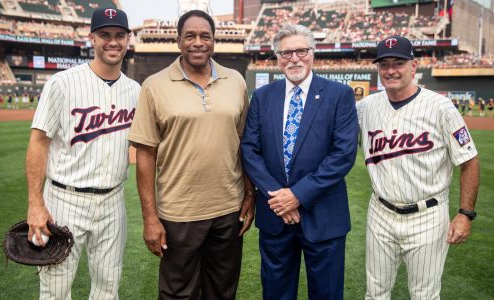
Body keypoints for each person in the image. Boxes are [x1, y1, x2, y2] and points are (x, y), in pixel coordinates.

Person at [128, 10, 255, 299]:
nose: (198, 42)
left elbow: (243, 142)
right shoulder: (154, 86)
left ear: (214, 41)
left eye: (205, 36)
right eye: (190, 36)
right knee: (178, 293)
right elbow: (146, 154)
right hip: (178, 212)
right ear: (178, 41)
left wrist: (250, 193)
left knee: (222, 291)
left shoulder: (235, 80)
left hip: (228, 209)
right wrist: (150, 217)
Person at [25, 7, 140, 299]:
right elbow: (38, 142)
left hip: (113, 202)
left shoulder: (136, 91)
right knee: (55, 289)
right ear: (92, 38)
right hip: (65, 200)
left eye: (119, 35)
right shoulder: (61, 84)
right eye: (104, 35)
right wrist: (35, 204)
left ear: (128, 39)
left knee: (107, 289)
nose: (112, 42)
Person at [241, 24, 359, 300]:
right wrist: (278, 198)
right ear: (277, 59)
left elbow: (343, 155)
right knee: (276, 293)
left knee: (327, 294)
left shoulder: (338, 95)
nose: (293, 58)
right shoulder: (262, 97)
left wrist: (297, 195)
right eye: (285, 53)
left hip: (324, 216)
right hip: (275, 216)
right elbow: (249, 150)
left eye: (301, 51)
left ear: (312, 54)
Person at [357, 36, 480, 300]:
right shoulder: (365, 107)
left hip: (428, 214)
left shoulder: (441, 108)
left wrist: (465, 214)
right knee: (375, 293)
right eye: (384, 64)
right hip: (380, 211)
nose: (391, 70)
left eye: (398, 63)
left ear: (414, 66)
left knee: (425, 295)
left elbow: (469, 160)